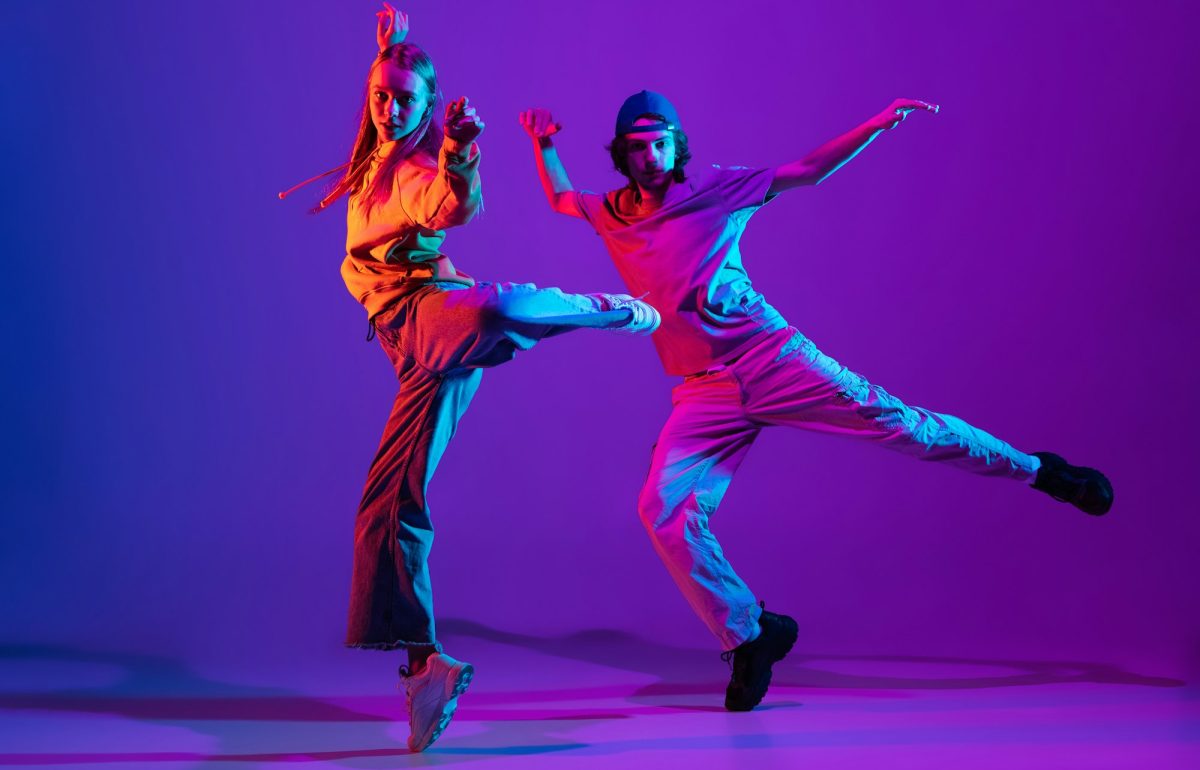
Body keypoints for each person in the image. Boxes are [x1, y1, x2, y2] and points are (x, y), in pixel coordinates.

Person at [519, 91, 1113, 712]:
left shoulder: (719, 189)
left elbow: (805, 170)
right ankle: (751, 634)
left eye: (660, 143)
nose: (650, 156)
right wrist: (544, 143)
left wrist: (877, 124)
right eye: (637, 147)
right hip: (703, 391)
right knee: (661, 509)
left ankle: (1040, 470)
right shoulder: (611, 212)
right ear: (622, 153)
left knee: (906, 429)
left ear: (676, 144)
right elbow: (563, 198)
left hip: (771, 360)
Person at [294, 6, 660, 752]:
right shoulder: (373, 162)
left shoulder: (417, 173)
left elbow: (452, 204)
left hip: (435, 315)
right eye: (382, 98)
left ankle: (599, 308)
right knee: (384, 507)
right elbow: (395, 82)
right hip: (413, 353)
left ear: (432, 111)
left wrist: (459, 150)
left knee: (490, 311)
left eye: (406, 101)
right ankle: (425, 666)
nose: (391, 109)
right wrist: (390, 46)